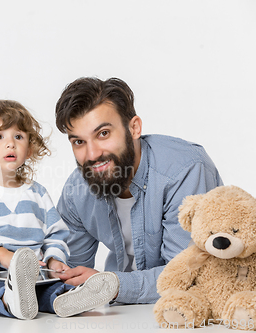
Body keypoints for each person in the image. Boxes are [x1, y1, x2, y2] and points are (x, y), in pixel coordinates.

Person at [54, 77, 223, 304]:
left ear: (134, 128)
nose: (92, 154)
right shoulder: (77, 191)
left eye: (103, 133)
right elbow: (71, 273)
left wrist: (111, 286)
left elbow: (187, 275)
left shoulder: (185, 170)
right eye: (78, 142)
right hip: (119, 315)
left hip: (188, 313)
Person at [0, 100, 119, 320]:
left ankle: (66, 298)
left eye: (18, 137)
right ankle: (7, 299)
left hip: (31, 273)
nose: (10, 144)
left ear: (29, 149)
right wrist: (3, 256)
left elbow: (56, 234)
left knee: (47, 286)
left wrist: (54, 260)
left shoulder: (37, 193)